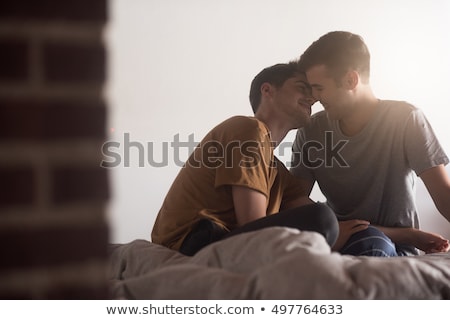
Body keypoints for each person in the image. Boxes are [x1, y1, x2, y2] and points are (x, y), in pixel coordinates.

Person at [151, 62, 339, 256]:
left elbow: (300, 207)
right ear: (267, 90)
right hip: (191, 241)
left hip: (220, 238)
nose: (312, 98)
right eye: (301, 88)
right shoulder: (249, 129)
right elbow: (253, 224)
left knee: (326, 218)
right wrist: (330, 227)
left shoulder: (276, 170)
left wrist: (345, 227)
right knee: (322, 218)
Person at [291, 31, 450, 256]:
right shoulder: (311, 131)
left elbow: (444, 195)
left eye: (319, 88)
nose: (315, 98)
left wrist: (405, 236)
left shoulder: (405, 119)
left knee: (373, 243)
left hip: (394, 247)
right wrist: (333, 229)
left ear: (350, 80)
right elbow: (294, 201)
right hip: (338, 239)